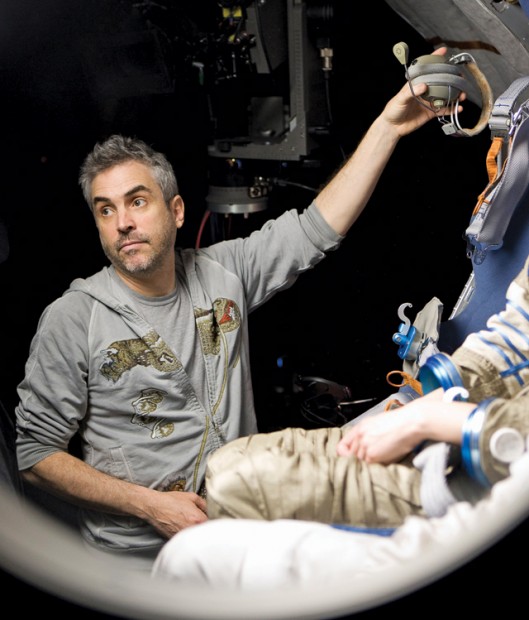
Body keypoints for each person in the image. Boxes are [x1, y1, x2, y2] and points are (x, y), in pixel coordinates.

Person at [15, 47, 454, 570]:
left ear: (177, 211)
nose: (122, 222)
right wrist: (150, 506)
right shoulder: (73, 318)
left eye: (137, 201)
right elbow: (35, 456)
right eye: (105, 210)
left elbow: (316, 228)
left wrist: (388, 127)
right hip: (137, 562)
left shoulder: (223, 273)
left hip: (238, 535)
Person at [204, 251, 529, 527]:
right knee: (226, 463)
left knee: (237, 488)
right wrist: (434, 398)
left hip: (487, 458)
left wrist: (425, 420)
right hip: (467, 410)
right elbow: (516, 339)